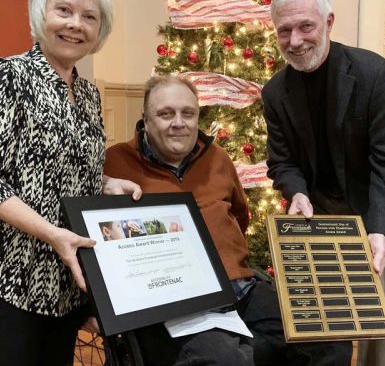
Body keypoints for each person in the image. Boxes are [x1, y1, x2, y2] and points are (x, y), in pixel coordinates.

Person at [0, 0, 141, 366]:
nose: (76, 25)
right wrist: (53, 233)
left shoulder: (88, 94)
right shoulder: (6, 76)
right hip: (1, 271)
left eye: (89, 17)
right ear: (41, 15)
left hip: (61, 279)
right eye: (64, 11)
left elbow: (60, 166)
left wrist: (105, 183)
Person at [104, 75, 352, 366]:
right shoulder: (116, 163)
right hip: (174, 303)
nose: (179, 123)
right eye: (165, 113)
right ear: (145, 120)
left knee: (326, 335)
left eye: (188, 113)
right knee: (226, 359)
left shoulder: (217, 159)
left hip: (240, 288)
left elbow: (239, 217)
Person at [261, 0, 385, 366]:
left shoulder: (373, 73)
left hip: (373, 213)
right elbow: (282, 162)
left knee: (380, 326)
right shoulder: (275, 92)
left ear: (328, 22)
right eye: (284, 30)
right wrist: (296, 192)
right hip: (317, 221)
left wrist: (379, 230)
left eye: (305, 26)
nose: (295, 41)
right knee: (321, 329)